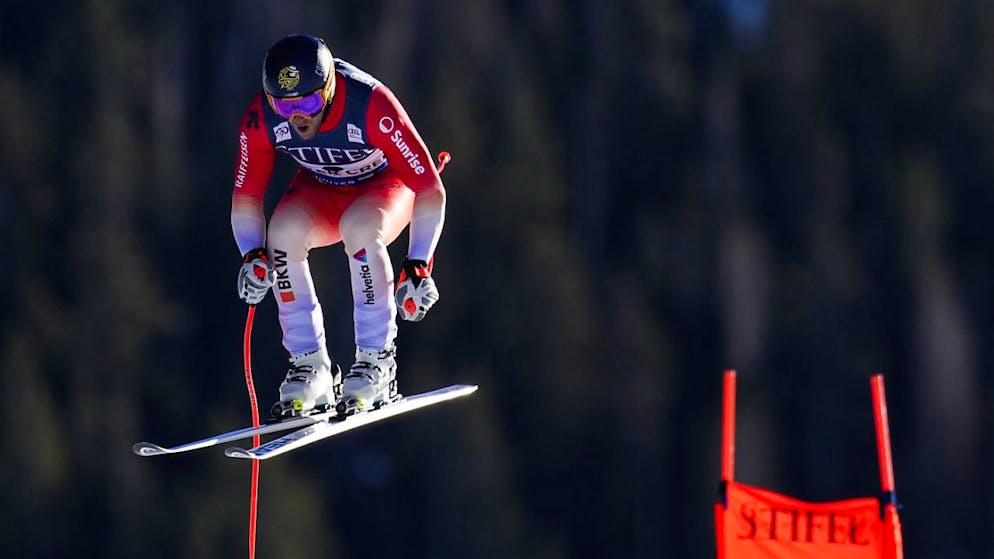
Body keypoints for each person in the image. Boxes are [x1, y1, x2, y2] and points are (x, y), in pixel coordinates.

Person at [231, 34, 445, 417]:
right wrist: (252, 255)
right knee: (281, 235)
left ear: (329, 89)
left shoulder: (369, 104)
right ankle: (309, 366)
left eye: (309, 103)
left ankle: (377, 362)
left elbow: (429, 188)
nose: (297, 116)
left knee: (360, 230)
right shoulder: (261, 119)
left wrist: (418, 264)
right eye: (284, 105)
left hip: (385, 187)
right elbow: (246, 197)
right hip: (324, 188)